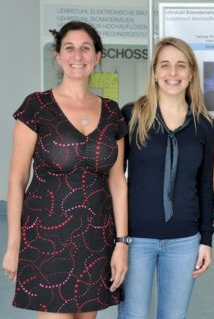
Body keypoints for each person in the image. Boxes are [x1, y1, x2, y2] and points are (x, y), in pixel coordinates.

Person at [1, 21, 129, 319]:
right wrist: (12, 243)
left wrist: (122, 243)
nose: (78, 55)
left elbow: (118, 182)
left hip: (96, 238)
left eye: (86, 48)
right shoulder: (37, 106)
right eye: (69, 48)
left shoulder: (112, 112)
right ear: (58, 56)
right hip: (47, 240)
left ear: (97, 56)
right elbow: (17, 179)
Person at [117, 37, 214, 319]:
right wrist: (118, 240)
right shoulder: (132, 115)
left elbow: (206, 187)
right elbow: (116, 182)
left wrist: (205, 240)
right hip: (136, 239)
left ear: (192, 73)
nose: (173, 73)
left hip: (184, 240)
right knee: (132, 316)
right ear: (155, 72)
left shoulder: (205, 125)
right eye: (165, 65)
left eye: (180, 66)